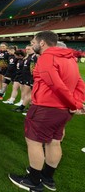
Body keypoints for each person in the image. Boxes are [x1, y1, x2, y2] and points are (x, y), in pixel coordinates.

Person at [9, 31, 85, 192]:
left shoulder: (47, 58)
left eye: (33, 41)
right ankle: (47, 177)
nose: (31, 44)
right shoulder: (69, 57)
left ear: (42, 43)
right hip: (63, 110)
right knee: (54, 141)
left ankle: (33, 181)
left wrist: (74, 103)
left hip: (47, 107)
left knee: (34, 142)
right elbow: (79, 82)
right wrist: (76, 103)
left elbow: (56, 85)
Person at [13, 45, 38, 113]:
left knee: (30, 94)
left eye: (29, 49)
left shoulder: (35, 56)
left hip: (31, 78)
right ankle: (25, 107)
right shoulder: (28, 57)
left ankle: (26, 108)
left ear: (33, 49)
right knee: (27, 94)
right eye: (26, 49)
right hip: (26, 77)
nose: (27, 50)